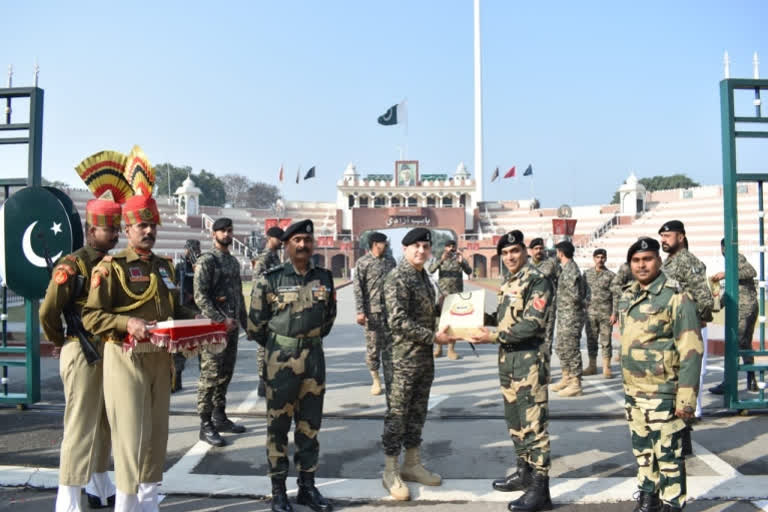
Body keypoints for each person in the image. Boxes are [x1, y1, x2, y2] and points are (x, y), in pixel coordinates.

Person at [82, 192, 197, 511]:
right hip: (125, 359)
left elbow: (175, 310)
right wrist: (125, 322)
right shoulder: (111, 268)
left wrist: (206, 322)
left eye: (153, 225)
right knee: (129, 436)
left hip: (160, 360)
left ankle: (148, 503)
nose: (149, 231)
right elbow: (91, 316)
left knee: (157, 436)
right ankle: (126, 503)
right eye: (142, 225)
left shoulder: (165, 268)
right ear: (128, 229)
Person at [248, 219, 336, 512]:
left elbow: (328, 320)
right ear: (286, 244)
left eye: (307, 240)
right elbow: (256, 326)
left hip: (313, 359)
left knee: (310, 427)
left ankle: (307, 489)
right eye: (297, 240)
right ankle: (278, 492)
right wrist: (283, 343)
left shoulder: (324, 278)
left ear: (313, 244)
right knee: (278, 427)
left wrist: (306, 340)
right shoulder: (269, 279)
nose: (302, 245)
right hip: (280, 360)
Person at [40, 199, 120, 511]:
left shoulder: (111, 263)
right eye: (107, 229)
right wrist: (61, 339)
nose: (114, 234)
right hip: (81, 349)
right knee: (79, 425)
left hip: (107, 351)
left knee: (103, 423)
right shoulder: (72, 265)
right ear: (90, 231)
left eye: (116, 229)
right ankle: (68, 499)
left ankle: (99, 485)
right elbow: (48, 311)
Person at [617, 237, 703, 512]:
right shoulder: (628, 295)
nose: (641, 265)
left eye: (648, 259)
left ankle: (672, 503)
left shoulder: (676, 297)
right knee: (643, 452)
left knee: (668, 455)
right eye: (636, 260)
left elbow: (691, 349)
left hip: (663, 392)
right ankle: (648, 498)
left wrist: (686, 399)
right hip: (634, 392)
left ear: (658, 260)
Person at [472, 230, 554, 512]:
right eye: (505, 254)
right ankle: (524, 472)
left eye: (515, 251)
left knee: (534, 425)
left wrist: (492, 337)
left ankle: (541, 489)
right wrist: (470, 316)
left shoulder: (538, 281)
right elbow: (503, 318)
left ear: (525, 252)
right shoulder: (510, 281)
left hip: (529, 361)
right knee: (515, 421)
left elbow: (531, 324)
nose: (510, 257)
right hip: (508, 361)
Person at [380, 227, 456, 501]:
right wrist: (432, 336)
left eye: (425, 246)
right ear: (405, 249)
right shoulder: (397, 278)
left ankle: (411, 464)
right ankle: (390, 469)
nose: (422, 251)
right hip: (402, 359)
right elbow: (397, 321)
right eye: (416, 247)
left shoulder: (424, 277)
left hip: (422, 358)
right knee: (398, 414)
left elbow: (425, 312)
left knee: (418, 412)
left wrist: (448, 309)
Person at [658, 220, 714, 456]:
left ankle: (684, 439)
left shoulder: (687, 261)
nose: (664, 240)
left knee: (685, 383)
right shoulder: (669, 261)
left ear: (681, 237)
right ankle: (678, 436)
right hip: (672, 329)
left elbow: (704, 297)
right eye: (662, 236)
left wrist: (697, 319)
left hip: (686, 331)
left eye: (668, 235)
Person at [194, 218, 248, 447]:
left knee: (226, 373)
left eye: (229, 231)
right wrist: (219, 319)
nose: (227, 234)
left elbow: (238, 295)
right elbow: (200, 296)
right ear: (213, 233)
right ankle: (205, 424)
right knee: (210, 376)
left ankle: (219, 415)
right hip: (214, 329)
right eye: (222, 231)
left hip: (232, 328)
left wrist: (246, 324)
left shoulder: (233, 262)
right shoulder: (207, 261)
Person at [709, 238, 758, 394]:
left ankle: (728, 383)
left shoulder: (737, 258)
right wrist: (716, 301)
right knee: (744, 344)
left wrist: (726, 274)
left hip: (745, 307)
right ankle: (751, 381)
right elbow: (730, 290)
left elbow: (751, 272)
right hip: (744, 307)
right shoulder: (731, 262)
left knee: (735, 343)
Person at [353, 231, 396, 395]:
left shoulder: (390, 261)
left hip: (390, 312)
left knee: (391, 347)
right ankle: (376, 379)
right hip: (372, 312)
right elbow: (358, 288)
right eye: (384, 242)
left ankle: (391, 380)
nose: (386, 245)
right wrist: (360, 311)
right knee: (373, 348)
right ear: (376, 244)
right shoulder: (363, 262)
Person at [252, 226, 284, 397]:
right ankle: (262, 381)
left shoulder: (275, 257)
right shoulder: (264, 258)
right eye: (279, 239)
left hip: (276, 309)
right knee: (264, 346)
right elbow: (257, 283)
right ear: (270, 238)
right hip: (266, 308)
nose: (281, 242)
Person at [551, 240, 586, 397]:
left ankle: (576, 383)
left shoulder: (571, 270)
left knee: (571, 348)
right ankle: (566, 377)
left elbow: (575, 295)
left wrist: (569, 309)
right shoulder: (565, 269)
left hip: (571, 316)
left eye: (557, 252)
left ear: (561, 252)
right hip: (565, 315)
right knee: (561, 346)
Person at [428, 239, 472, 360]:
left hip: (456, 295)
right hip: (443, 295)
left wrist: (462, 262)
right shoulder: (440, 258)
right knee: (440, 323)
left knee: (453, 323)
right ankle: (439, 349)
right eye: (449, 247)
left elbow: (469, 271)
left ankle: (451, 350)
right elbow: (430, 270)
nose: (451, 249)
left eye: (453, 246)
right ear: (445, 248)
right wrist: (441, 260)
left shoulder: (459, 258)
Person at [172, 239, 201, 393]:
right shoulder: (180, 267)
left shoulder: (202, 265)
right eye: (189, 249)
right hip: (184, 309)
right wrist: (184, 294)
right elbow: (175, 286)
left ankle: (205, 379)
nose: (190, 252)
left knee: (202, 346)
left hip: (198, 309)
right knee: (180, 347)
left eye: (194, 249)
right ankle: (177, 378)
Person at [583, 248, 616, 378]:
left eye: (602, 257)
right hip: (590, 313)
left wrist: (614, 313)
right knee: (591, 340)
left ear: (606, 258)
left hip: (606, 314)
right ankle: (592, 366)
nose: (600, 260)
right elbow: (582, 291)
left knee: (606, 341)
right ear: (593, 258)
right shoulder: (586, 274)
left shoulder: (611, 276)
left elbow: (615, 296)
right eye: (597, 257)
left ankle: (606, 367)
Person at [528, 238, 558, 359]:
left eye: (541, 248)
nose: (539, 251)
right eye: (536, 249)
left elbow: (560, 280)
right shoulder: (525, 265)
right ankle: (533, 368)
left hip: (548, 306)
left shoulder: (551, 263)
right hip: (530, 307)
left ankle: (545, 371)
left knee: (547, 338)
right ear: (531, 251)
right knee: (530, 336)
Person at [610, 261, 634, 363]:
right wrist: (627, 294)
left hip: (647, 304)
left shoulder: (653, 264)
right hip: (627, 306)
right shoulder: (626, 267)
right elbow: (614, 286)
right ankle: (622, 354)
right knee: (626, 332)